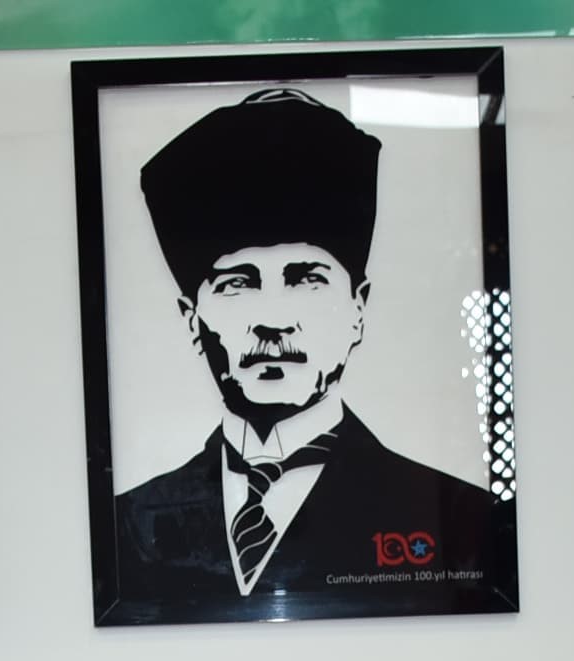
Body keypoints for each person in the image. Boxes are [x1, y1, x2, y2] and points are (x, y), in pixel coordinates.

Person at [109, 87, 497, 619]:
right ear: (191, 319)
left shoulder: (458, 518)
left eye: (307, 280)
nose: (273, 320)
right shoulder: (127, 527)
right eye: (237, 284)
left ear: (358, 309)